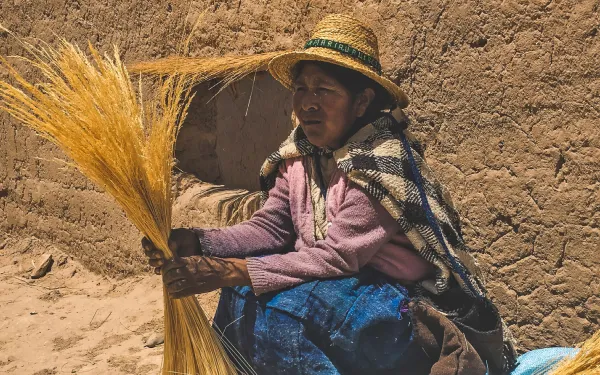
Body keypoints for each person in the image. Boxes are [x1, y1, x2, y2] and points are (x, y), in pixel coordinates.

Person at [143, 14, 518, 375]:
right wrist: (200, 242)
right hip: (345, 293)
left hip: (408, 314)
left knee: (294, 307)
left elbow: (338, 257)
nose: (308, 102)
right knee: (240, 297)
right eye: (302, 88)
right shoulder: (301, 155)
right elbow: (271, 230)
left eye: (324, 89)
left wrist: (233, 270)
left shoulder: (381, 164)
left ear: (360, 102)